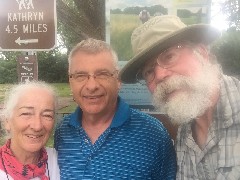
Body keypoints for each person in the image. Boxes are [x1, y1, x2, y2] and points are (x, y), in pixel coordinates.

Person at [119, 15, 240, 179]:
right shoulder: (185, 129)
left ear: (202, 52)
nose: (160, 75)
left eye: (169, 56)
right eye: (149, 72)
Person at [54, 38, 176, 179]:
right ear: (71, 82)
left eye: (102, 74)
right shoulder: (63, 131)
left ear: (118, 80)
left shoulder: (153, 134)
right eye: (80, 76)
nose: (92, 86)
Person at [0, 81, 60, 179]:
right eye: (26, 113)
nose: (37, 126)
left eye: (47, 115)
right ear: (7, 121)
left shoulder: (60, 161)